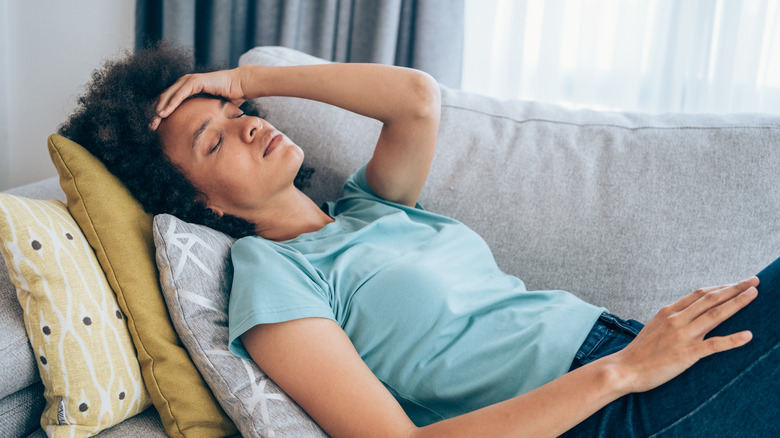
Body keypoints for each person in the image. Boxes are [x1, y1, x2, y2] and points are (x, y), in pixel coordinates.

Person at [60, 44, 778, 437]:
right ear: (198, 201)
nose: (249, 123)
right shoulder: (271, 275)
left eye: (240, 109)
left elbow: (415, 99)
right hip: (601, 409)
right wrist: (620, 374)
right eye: (217, 141)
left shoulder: (366, 209)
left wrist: (247, 74)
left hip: (630, 349)